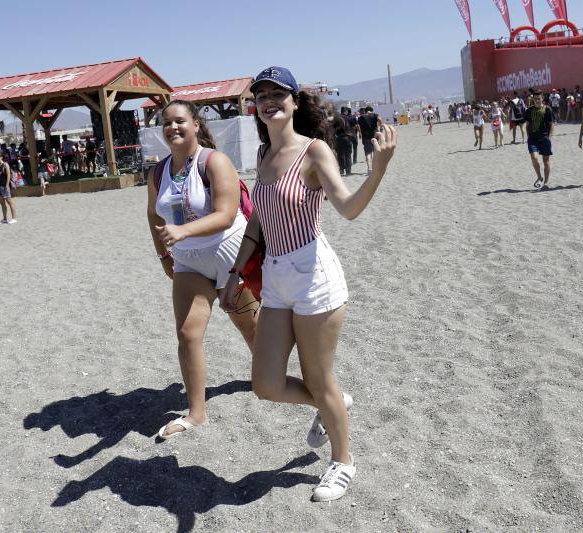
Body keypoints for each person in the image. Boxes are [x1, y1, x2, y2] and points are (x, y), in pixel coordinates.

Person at [220, 66, 397, 503]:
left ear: (295, 102)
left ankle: (343, 461)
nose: (268, 100)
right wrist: (235, 273)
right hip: (277, 277)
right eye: (261, 95)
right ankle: (332, 404)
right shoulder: (263, 155)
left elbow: (349, 208)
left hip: (314, 274)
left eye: (278, 93)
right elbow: (259, 220)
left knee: (320, 380)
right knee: (265, 383)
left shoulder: (314, 151)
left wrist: (377, 171)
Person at [148, 99, 258, 440]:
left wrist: (181, 232)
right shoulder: (157, 171)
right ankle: (196, 413)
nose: (173, 128)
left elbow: (226, 214)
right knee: (188, 334)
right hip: (188, 261)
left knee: (250, 328)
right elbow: (154, 216)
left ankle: (270, 378)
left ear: (196, 124)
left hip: (231, 255)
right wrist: (165, 257)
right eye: (166, 123)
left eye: (180, 121)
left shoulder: (214, 161)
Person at [524, 90, 555, 190]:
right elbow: (527, 125)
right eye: (535, 99)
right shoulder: (529, 111)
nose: (537, 100)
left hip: (544, 138)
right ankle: (539, 176)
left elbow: (551, 124)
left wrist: (550, 137)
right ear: (533, 99)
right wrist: (528, 136)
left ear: (542, 98)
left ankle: (546, 182)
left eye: (539, 98)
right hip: (533, 139)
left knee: (546, 161)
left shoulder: (547, 109)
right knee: (534, 158)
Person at [0, 152, 17, 224]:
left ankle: (14, 218)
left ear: (1, 157)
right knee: (2, 203)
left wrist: (7, 185)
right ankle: (5, 218)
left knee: (9, 202)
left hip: (4, 186)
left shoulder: (5, 164)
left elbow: (8, 175)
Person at [357, 106, 382, 175]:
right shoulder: (374, 115)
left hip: (366, 137)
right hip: (375, 136)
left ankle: (369, 169)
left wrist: (360, 133)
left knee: (368, 153)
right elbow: (379, 119)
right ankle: (376, 168)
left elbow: (358, 126)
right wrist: (381, 128)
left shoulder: (361, 117)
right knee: (375, 151)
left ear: (365, 110)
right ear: (371, 110)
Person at [334, 107, 354, 176]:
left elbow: (333, 128)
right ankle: (348, 171)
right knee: (348, 155)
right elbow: (354, 126)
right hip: (347, 137)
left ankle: (341, 170)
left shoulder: (336, 118)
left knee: (340, 155)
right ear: (346, 111)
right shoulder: (350, 117)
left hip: (338, 138)